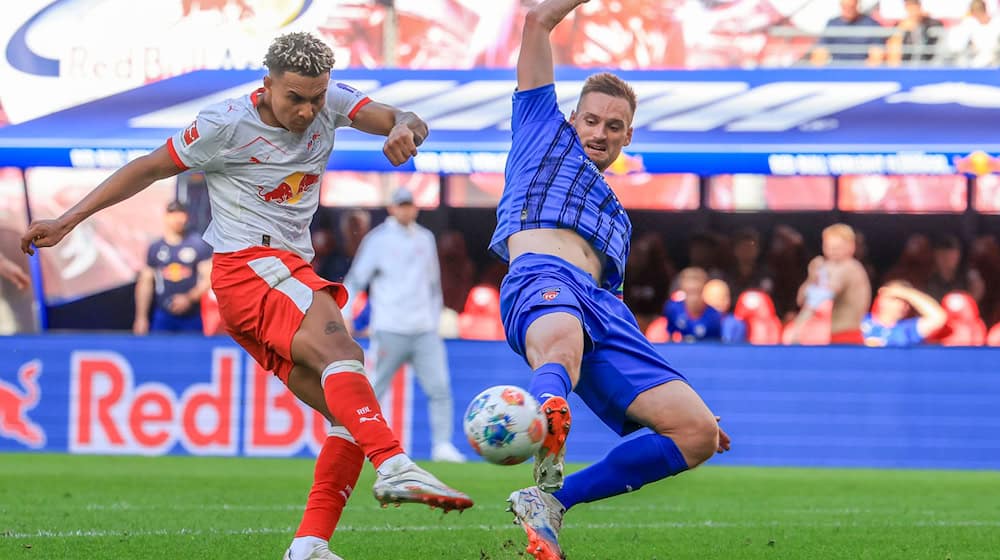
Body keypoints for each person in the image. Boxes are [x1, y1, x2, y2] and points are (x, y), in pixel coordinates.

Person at [20, 32, 471, 560]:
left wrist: (403, 128)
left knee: (349, 413)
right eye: (295, 98)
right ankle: (393, 464)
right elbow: (146, 166)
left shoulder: (333, 101)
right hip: (248, 267)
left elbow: (406, 116)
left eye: (316, 97)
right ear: (267, 86)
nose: (308, 110)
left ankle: (309, 546)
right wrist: (69, 221)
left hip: (278, 273)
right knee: (345, 354)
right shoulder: (224, 124)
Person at [490, 2, 730, 558]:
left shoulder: (619, 218)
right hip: (541, 273)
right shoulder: (538, 130)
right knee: (562, 341)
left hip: (603, 306)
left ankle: (548, 500)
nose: (599, 132)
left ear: (627, 137)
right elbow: (536, 21)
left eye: (613, 126)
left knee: (695, 433)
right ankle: (548, 418)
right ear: (573, 119)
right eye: (592, 120)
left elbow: (615, 314)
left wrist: (684, 402)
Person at [343, 187, 466, 463]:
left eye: (409, 205)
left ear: (415, 208)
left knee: (439, 387)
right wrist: (346, 314)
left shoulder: (425, 238)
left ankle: (442, 445)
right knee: (374, 390)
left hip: (424, 329)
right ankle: (363, 443)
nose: (406, 209)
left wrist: (434, 319)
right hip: (389, 327)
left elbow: (433, 284)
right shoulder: (378, 240)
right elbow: (355, 280)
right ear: (392, 208)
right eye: (401, 205)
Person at [133, 200, 212, 335]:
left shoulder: (197, 245)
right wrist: (141, 317)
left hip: (191, 316)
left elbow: (209, 278)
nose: (177, 219)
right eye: (173, 214)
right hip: (163, 314)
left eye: (181, 214)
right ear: (165, 217)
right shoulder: (156, 248)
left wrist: (189, 298)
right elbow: (145, 283)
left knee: (191, 353)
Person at [787, 223, 872, 345]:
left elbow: (820, 296)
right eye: (829, 247)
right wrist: (813, 277)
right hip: (836, 336)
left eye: (838, 247)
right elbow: (801, 300)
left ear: (851, 246)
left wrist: (797, 328)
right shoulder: (829, 268)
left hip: (847, 336)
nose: (833, 252)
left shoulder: (849, 267)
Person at [862, 281, 947, 347]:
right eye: (896, 299)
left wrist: (906, 293)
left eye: (907, 302)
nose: (903, 305)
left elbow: (938, 318)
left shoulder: (906, 329)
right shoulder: (862, 321)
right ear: (881, 299)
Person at [811, 0, 886, 66]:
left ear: (857, 4)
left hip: (862, 74)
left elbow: (876, 58)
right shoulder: (832, 24)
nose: (848, 10)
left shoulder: (871, 25)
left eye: (851, 7)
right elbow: (819, 53)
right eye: (845, 7)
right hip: (836, 72)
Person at [662, 267, 723, 342]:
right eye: (690, 292)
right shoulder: (673, 309)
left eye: (697, 291)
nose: (693, 297)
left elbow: (716, 343)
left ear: (704, 288)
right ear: (682, 288)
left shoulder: (714, 316)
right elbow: (669, 336)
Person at [886, 0, 944, 65]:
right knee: (894, 44)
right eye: (909, 5)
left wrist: (920, 21)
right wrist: (901, 29)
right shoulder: (901, 24)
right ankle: (895, 72)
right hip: (905, 59)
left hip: (927, 57)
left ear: (919, 6)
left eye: (914, 5)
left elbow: (939, 35)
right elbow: (891, 43)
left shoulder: (930, 22)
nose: (912, 9)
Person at [702, 278, 748, 344]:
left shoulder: (734, 324)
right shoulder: (691, 320)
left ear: (728, 301)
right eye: (713, 297)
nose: (717, 302)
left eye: (722, 297)